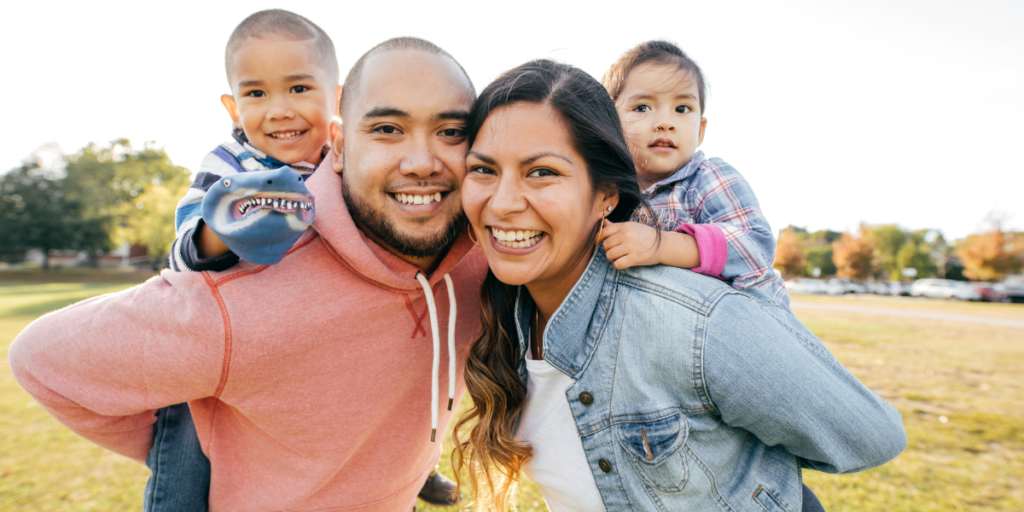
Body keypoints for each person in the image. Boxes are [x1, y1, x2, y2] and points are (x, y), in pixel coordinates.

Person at [10, 36, 484, 511]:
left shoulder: (484, 261)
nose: (422, 162)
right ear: (337, 147)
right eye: (386, 128)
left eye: (451, 132)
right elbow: (40, 359)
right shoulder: (239, 296)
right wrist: (210, 447)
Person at [452, 59, 906, 511]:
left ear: (606, 195)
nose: (505, 202)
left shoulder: (692, 321)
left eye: (542, 172)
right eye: (484, 170)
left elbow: (871, 436)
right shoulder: (506, 315)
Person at [597, 40, 792, 312]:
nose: (666, 122)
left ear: (700, 130)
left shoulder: (707, 178)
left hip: (755, 326)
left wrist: (661, 245)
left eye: (681, 109)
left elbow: (754, 248)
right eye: (642, 107)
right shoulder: (604, 193)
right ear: (608, 124)